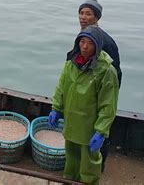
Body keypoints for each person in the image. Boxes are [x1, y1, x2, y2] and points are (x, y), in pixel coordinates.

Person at [49, 25, 119, 185]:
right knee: (71, 156)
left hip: (89, 126)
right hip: (72, 122)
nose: (85, 47)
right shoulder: (71, 64)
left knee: (89, 162)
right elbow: (61, 87)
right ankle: (69, 179)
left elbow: (108, 104)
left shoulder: (106, 71)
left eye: (90, 43)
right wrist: (56, 108)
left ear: (98, 46)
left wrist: (101, 131)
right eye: (82, 42)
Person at [75, 0, 122, 86]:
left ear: (96, 18)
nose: (83, 17)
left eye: (88, 14)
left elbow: (115, 72)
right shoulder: (82, 36)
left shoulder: (105, 41)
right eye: (81, 13)